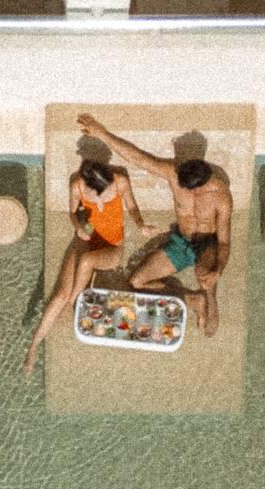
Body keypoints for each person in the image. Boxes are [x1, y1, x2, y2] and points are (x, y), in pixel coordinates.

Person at [76, 113, 233, 337]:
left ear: (204, 184)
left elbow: (225, 241)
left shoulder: (221, 196)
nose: (184, 191)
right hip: (181, 242)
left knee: (209, 322)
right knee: (137, 283)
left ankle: (209, 292)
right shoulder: (175, 173)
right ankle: (192, 298)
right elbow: (139, 158)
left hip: (207, 246)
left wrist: (218, 269)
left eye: (191, 189)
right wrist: (101, 133)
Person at [23, 159, 158, 374]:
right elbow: (73, 212)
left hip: (113, 247)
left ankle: (71, 304)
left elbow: (131, 206)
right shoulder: (77, 185)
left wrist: (140, 224)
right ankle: (33, 347)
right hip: (86, 239)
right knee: (59, 295)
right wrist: (78, 227)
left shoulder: (120, 181)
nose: (102, 195)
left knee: (85, 264)